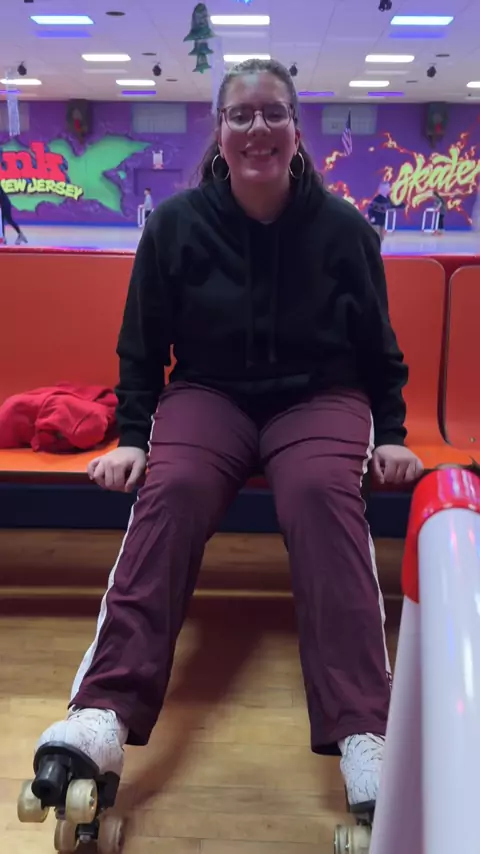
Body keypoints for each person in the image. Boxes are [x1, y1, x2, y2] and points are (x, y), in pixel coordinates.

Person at [25, 59, 423, 827]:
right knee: (171, 491)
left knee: (320, 496)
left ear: (296, 128)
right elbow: (142, 345)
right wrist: (134, 437)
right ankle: (103, 710)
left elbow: (379, 350)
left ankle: (364, 729)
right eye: (241, 114)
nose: (257, 128)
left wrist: (395, 433)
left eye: (273, 113)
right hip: (210, 395)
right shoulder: (176, 225)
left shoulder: (344, 230)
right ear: (220, 129)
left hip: (320, 396)